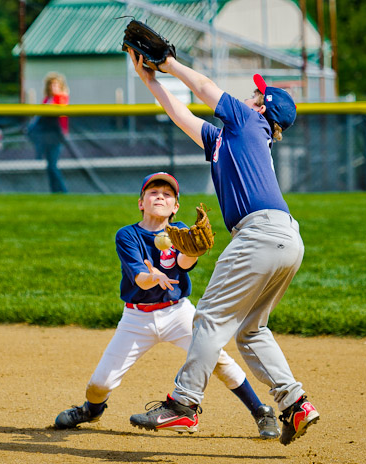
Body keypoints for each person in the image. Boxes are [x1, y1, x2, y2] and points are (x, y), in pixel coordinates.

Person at [127, 50, 320, 446]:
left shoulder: (249, 120)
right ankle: (295, 402)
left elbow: (204, 88)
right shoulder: (229, 138)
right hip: (286, 239)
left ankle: (183, 406)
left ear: (261, 108)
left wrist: (168, 62)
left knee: (208, 320)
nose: (249, 95)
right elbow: (183, 115)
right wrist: (150, 80)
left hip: (258, 234)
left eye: (254, 93)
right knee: (251, 330)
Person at [54, 172, 282, 439]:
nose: (159, 196)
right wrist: (154, 276)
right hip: (136, 318)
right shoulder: (127, 235)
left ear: (175, 207)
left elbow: (184, 264)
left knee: (219, 360)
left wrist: (192, 252)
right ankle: (91, 410)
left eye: (167, 194)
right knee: (99, 383)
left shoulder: (180, 232)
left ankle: (261, 412)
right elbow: (140, 278)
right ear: (141, 202)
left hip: (178, 313)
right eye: (153, 192)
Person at [26, 72, 69, 193]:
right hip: (46, 135)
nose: (53, 87)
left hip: (56, 135)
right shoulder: (47, 99)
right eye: (51, 84)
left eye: (56, 84)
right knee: (50, 165)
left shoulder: (61, 97)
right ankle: (54, 191)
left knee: (52, 166)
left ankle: (62, 191)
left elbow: (61, 115)